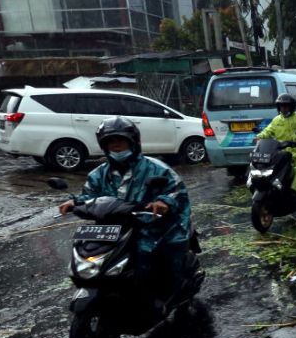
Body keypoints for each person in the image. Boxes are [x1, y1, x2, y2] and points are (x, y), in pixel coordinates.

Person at [58, 116, 194, 295]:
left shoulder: (157, 169)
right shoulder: (98, 174)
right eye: (110, 141)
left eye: (121, 140)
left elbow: (177, 192)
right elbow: (89, 196)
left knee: (154, 252)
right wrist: (74, 202)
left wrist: (164, 202)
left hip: (153, 225)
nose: (116, 145)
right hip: (113, 228)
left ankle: (171, 293)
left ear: (133, 142)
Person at [255, 93, 296, 193]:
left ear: (291, 106)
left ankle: (294, 192)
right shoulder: (276, 120)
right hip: (282, 153)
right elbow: (268, 131)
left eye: (286, 105)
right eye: (281, 105)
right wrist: (259, 137)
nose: (284, 108)